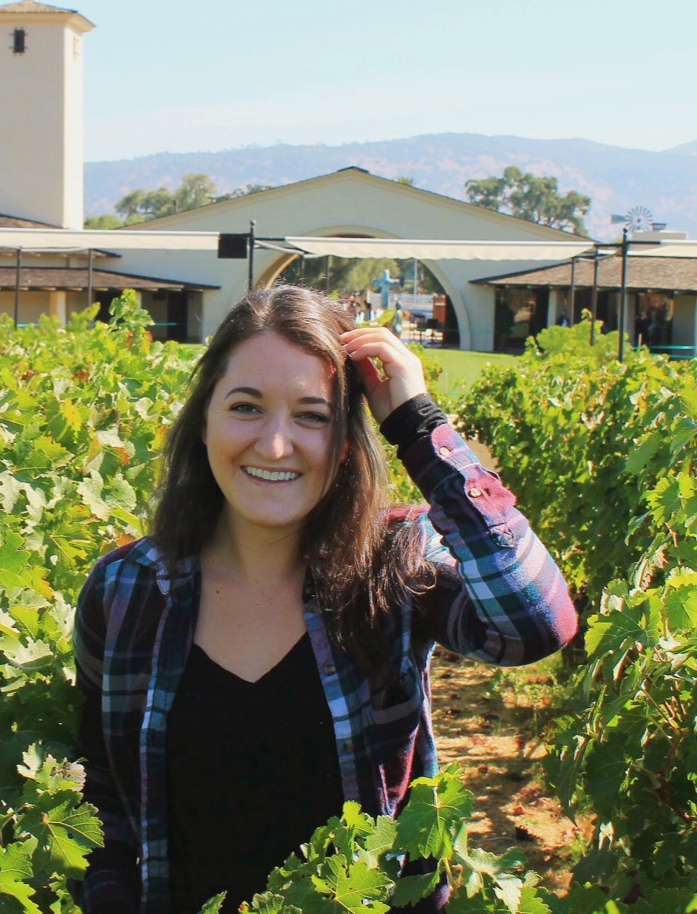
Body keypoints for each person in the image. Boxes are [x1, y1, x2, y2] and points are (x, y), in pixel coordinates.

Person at [72, 286, 577, 914]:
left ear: (345, 444)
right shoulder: (126, 590)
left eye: (312, 415)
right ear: (204, 423)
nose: (276, 444)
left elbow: (536, 623)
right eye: (246, 407)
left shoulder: (398, 564)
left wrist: (419, 426)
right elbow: (101, 797)